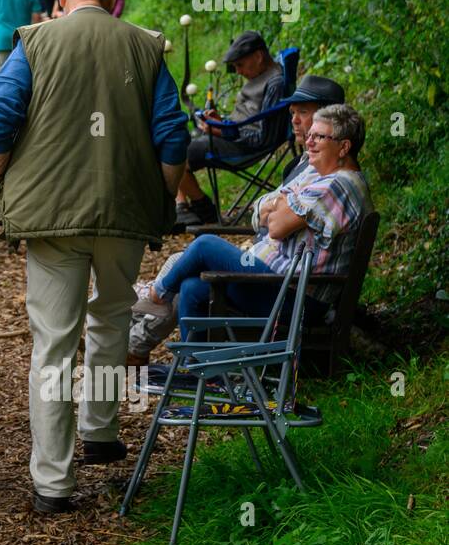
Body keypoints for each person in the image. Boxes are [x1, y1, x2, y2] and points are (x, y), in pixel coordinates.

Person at [0, 0, 188, 514]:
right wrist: (162, 197)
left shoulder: (35, 42)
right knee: (112, 317)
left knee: (53, 344)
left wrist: (2, 182)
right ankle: (99, 430)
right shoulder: (145, 46)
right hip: (123, 212)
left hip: (51, 213)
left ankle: (54, 482)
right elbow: (173, 136)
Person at [134, 104, 372, 337]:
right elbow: (264, 209)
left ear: (343, 147)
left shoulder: (337, 185)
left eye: (318, 137)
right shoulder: (322, 176)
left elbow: (276, 227)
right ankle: (201, 372)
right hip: (278, 283)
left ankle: (156, 296)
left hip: (295, 296)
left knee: (205, 245)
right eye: (309, 135)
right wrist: (282, 204)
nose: (308, 142)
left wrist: (280, 206)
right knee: (192, 289)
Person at [175, 30, 286, 226]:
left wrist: (221, 130)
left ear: (258, 56)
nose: (239, 71)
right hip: (232, 135)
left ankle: (200, 208)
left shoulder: (274, 82)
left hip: (243, 147)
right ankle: (184, 207)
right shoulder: (260, 76)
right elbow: (249, 119)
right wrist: (221, 121)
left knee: (175, 153)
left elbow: (262, 137)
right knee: (172, 136)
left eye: (240, 65)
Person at [279, 75, 345, 184]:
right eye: (293, 112)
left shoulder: (327, 170)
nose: (294, 120)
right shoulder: (295, 165)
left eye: (303, 112)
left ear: (328, 118)